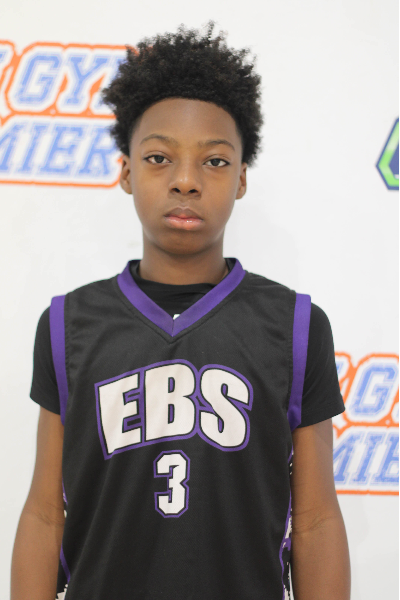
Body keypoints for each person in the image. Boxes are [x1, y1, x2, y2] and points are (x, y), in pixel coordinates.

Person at [11, 22, 351, 600]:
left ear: (241, 179)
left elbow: (316, 518)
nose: (186, 181)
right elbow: (46, 511)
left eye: (214, 161)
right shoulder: (68, 324)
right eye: (159, 157)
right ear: (126, 172)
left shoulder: (295, 326)